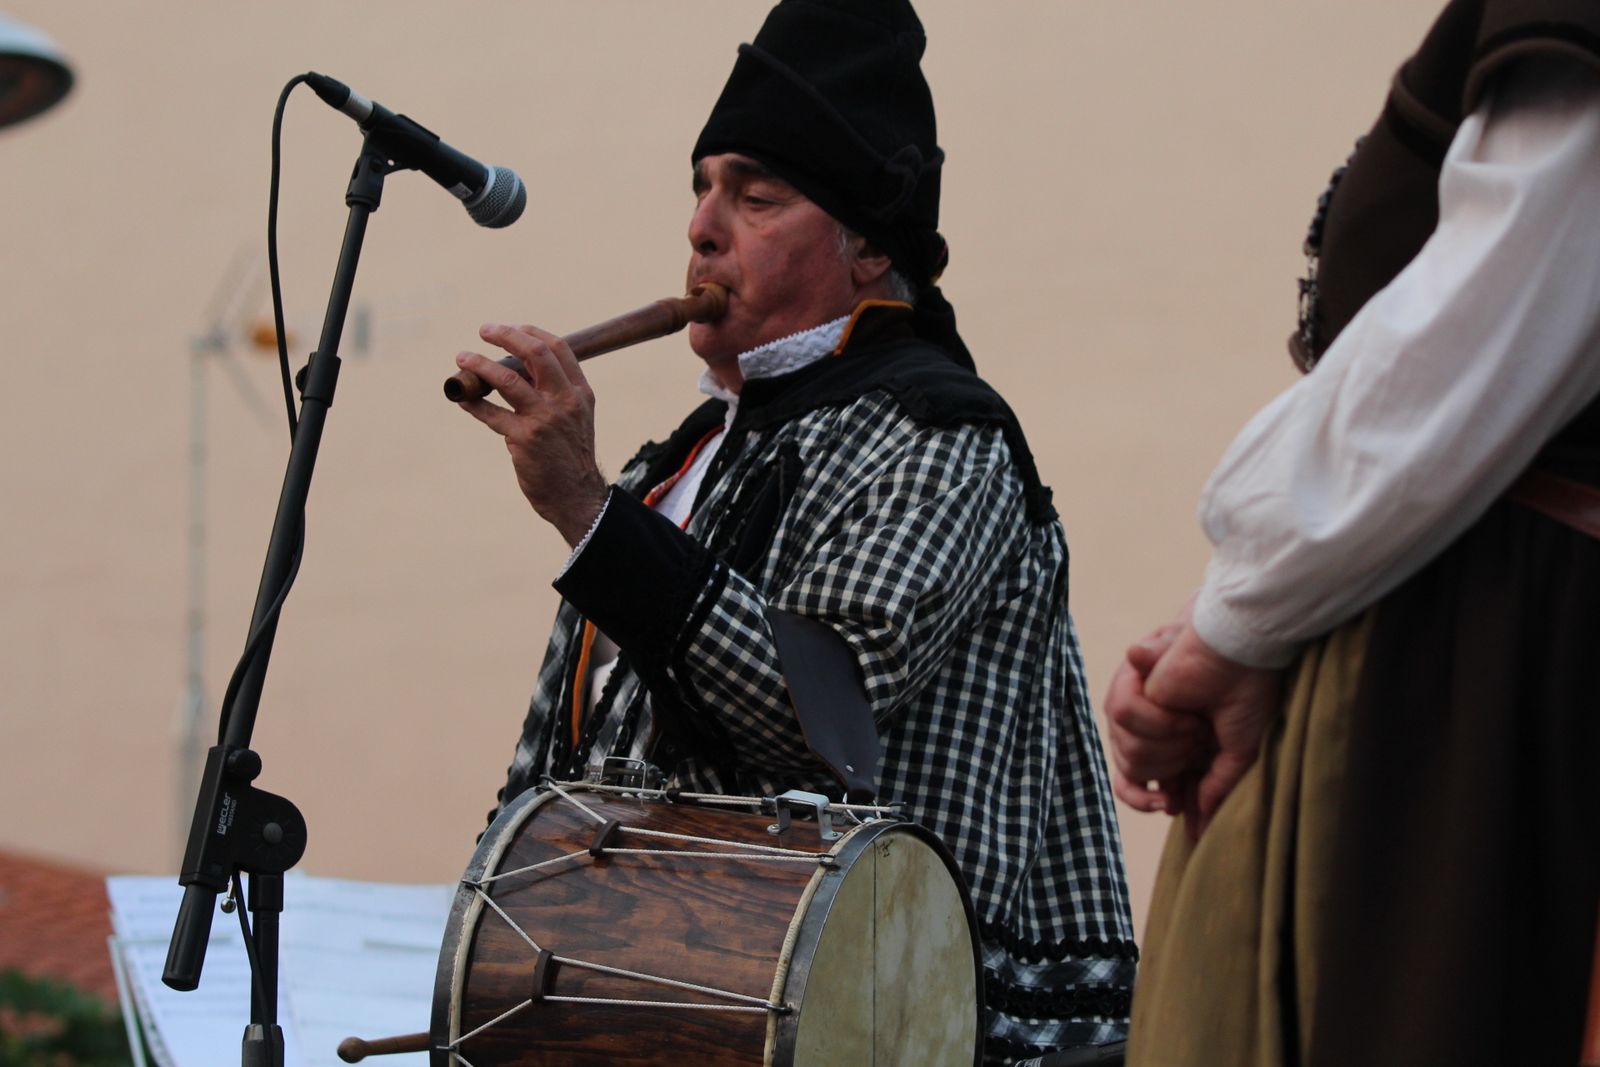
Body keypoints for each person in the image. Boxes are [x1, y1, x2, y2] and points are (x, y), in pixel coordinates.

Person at [452, 1, 1136, 1060]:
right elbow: (543, 784)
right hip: (652, 1015)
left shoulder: (940, 437)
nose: (702, 226)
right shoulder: (671, 465)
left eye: (755, 195)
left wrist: (587, 509)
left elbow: (817, 711)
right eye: (701, 187)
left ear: (866, 246)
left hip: (886, 1028)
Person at [1104, 3, 1600, 1065]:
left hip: (1497, 695)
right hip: (1433, 643)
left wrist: (1241, 612)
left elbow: (1496, 310)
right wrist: (1237, 608)